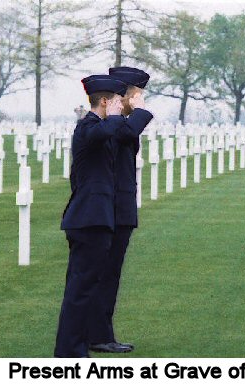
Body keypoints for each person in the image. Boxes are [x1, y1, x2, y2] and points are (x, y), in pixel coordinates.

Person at [54, 74, 153, 358]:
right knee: (80, 289)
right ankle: (69, 353)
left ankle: (75, 348)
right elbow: (107, 132)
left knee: (85, 287)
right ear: (108, 101)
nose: (125, 105)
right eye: (121, 100)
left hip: (98, 219)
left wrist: (114, 116)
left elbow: (117, 134)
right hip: (89, 219)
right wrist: (117, 114)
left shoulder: (100, 127)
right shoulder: (88, 127)